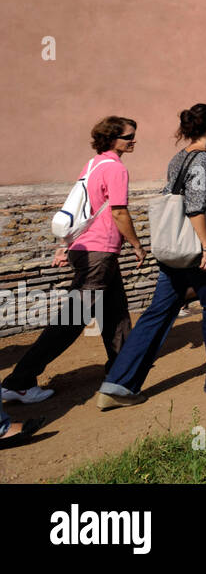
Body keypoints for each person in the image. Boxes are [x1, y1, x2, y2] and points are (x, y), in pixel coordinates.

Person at [96, 104, 206, 409]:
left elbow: (171, 196)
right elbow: (194, 206)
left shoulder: (177, 158)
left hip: (171, 250)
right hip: (194, 250)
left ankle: (118, 383)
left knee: (158, 313)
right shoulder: (202, 160)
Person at [1, 116, 144, 405]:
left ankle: (121, 370)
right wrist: (137, 244)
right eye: (128, 136)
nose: (133, 140)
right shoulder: (116, 169)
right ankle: (19, 381)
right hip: (98, 253)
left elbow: (78, 211)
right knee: (71, 320)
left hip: (86, 248)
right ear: (113, 139)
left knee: (115, 312)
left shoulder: (91, 165)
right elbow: (118, 212)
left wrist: (66, 246)